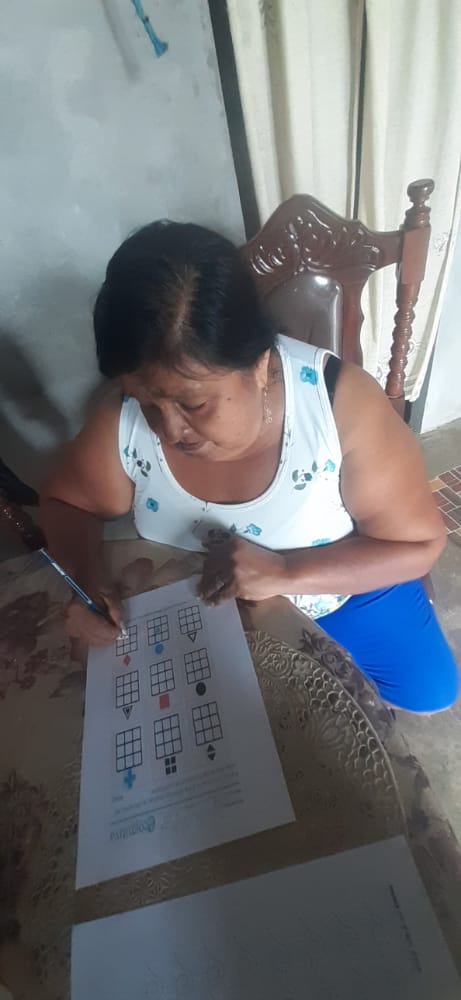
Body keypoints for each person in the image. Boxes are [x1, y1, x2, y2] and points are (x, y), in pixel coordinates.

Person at [40, 221, 458, 713]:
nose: (169, 429)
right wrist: (86, 576)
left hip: (335, 592)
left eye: (193, 403)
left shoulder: (340, 408)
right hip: (196, 607)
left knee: (429, 692)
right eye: (146, 401)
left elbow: (418, 545)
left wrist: (287, 571)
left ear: (261, 365)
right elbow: (66, 502)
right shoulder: (124, 421)